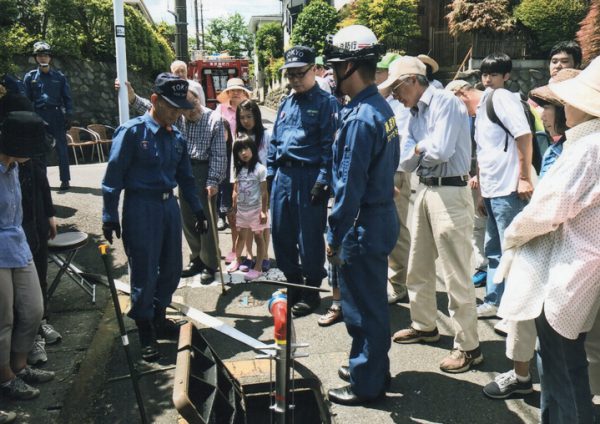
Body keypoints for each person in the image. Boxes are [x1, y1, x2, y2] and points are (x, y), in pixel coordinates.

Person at [495, 56, 600, 423]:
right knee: (564, 364)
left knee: (562, 367)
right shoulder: (587, 142)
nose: (563, 106)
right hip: (581, 267)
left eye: (569, 100)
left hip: (566, 270)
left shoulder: (588, 147)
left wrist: (512, 233)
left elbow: (549, 209)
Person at [481, 67, 578, 400]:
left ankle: (547, 386)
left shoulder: (582, 150)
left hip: (567, 250)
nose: (543, 114)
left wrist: (517, 233)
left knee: (555, 328)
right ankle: (521, 376)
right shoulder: (557, 146)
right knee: (523, 310)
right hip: (543, 244)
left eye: (550, 107)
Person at [384, 56, 481, 373]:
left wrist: (417, 150)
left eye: (397, 87)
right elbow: (408, 158)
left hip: (451, 191)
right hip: (424, 188)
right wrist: (418, 151)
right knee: (417, 263)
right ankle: (425, 324)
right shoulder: (415, 112)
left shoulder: (445, 102)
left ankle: (469, 346)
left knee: (456, 274)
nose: (395, 95)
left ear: (412, 80)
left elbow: (440, 151)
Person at [101, 73, 208, 362]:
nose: (176, 114)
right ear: (154, 100)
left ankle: (159, 314)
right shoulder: (132, 132)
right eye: (171, 107)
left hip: (167, 208)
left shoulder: (177, 137)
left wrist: (198, 209)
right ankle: (145, 325)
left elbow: (185, 178)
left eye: (179, 109)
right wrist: (109, 215)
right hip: (141, 208)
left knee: (172, 268)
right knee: (145, 270)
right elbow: (113, 176)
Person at [324, 25, 399, 405]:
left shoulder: (358, 118)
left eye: (336, 66)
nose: (333, 74)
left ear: (350, 66)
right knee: (372, 302)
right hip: (379, 214)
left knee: (362, 308)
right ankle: (371, 366)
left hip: (361, 223)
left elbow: (349, 187)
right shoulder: (379, 109)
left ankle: (367, 382)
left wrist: (334, 235)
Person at [267, 45, 339, 317]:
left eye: (300, 73)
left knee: (308, 237)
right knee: (282, 234)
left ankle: (311, 290)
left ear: (314, 70)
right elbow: (274, 141)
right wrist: (271, 174)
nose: (295, 79)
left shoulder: (326, 103)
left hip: (308, 176)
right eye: (290, 75)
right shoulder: (287, 102)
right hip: (283, 176)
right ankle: (293, 283)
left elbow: (329, 148)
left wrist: (323, 180)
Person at [0, 92, 61, 366]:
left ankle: (23, 359)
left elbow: (41, 183)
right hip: (4, 245)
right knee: (6, 315)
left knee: (34, 302)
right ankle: (9, 373)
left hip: (24, 235)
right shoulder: (10, 161)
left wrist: (49, 214)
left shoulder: (18, 164)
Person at [473, 53, 534, 329]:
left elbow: (524, 136)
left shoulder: (503, 99)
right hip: (492, 187)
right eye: (485, 74)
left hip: (508, 187)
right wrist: (480, 187)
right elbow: (484, 149)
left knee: (511, 251)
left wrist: (523, 177)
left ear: (506, 76)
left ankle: (512, 312)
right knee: (494, 249)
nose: (488, 79)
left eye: (494, 74)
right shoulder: (487, 99)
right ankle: (495, 301)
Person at [178, 84, 226, 283]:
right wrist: (131, 98)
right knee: (188, 218)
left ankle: (210, 263)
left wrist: (213, 180)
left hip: (205, 170)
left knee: (206, 220)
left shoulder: (215, 119)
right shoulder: (180, 119)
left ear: (198, 99)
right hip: (185, 170)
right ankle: (196, 257)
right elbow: (152, 109)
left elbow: (220, 155)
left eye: (193, 106)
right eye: (185, 110)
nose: (190, 113)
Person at [445, 79, 489, 289]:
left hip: (486, 178)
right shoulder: (468, 113)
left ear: (461, 93)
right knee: (477, 226)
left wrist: (477, 175)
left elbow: (483, 149)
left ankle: (491, 271)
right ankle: (483, 267)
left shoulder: (486, 109)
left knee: (485, 225)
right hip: (473, 176)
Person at [376, 52, 412, 304]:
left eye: (379, 71)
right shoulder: (386, 99)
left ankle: (399, 283)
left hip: (397, 170)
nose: (374, 76)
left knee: (398, 229)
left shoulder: (401, 101)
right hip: (384, 170)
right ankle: (395, 280)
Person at [23, 41, 73, 191]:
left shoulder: (59, 77)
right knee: (40, 149)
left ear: (50, 58)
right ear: (36, 58)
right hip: (39, 115)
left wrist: (69, 115)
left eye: (45, 55)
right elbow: (26, 99)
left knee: (62, 149)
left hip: (56, 114)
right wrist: (29, 117)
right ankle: (42, 181)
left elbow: (67, 97)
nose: (43, 58)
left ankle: (65, 180)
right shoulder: (30, 77)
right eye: (39, 55)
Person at [227, 135, 269, 281]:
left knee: (258, 237)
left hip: (256, 211)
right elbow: (235, 191)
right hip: (242, 211)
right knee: (241, 236)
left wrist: (263, 211)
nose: (243, 153)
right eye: (239, 150)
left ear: (253, 149)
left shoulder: (260, 169)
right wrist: (233, 208)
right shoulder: (238, 170)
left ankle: (258, 267)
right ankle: (237, 259)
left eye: (246, 148)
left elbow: (264, 192)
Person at [236, 99, 271, 272]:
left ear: (256, 115)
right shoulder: (239, 137)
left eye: (249, 116)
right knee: (247, 225)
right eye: (242, 117)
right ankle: (249, 255)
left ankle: (264, 257)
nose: (246, 121)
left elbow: (272, 158)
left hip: (262, 184)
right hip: (244, 186)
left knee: (263, 223)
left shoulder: (266, 135)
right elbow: (234, 162)